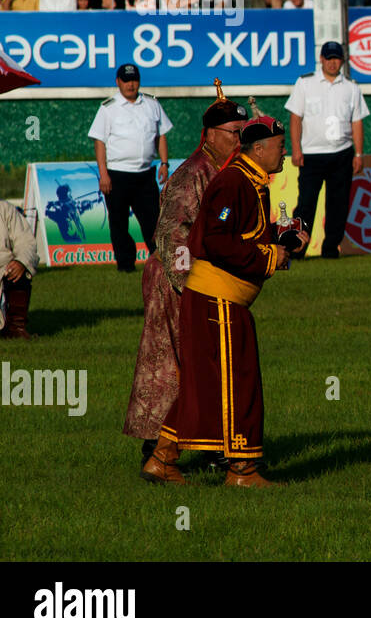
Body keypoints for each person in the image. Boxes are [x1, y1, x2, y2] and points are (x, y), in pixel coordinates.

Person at [150, 113, 309, 488]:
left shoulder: (252, 181)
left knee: (203, 384)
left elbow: (244, 232)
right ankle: (242, 470)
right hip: (216, 301)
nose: (284, 153)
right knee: (240, 383)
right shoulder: (233, 181)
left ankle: (162, 458)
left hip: (219, 300)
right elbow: (218, 240)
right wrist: (268, 257)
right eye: (280, 146)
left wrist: (282, 239)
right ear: (258, 149)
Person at [124, 81, 248, 469]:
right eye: (233, 134)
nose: (239, 140)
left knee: (202, 360)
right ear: (210, 134)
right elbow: (172, 231)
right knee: (173, 362)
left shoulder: (223, 170)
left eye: (244, 134)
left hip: (201, 277)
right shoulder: (193, 171)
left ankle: (206, 442)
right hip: (176, 279)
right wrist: (191, 286)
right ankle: (159, 447)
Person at [286, 41, 369, 259]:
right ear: (321, 59)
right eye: (329, 58)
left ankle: (331, 249)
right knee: (305, 205)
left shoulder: (351, 87)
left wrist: (358, 154)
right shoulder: (305, 83)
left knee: (338, 205)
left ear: (342, 60)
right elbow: (296, 118)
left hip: (342, 153)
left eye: (336, 58)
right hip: (312, 155)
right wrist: (296, 149)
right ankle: (297, 248)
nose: (332, 63)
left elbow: (357, 122)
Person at [88, 64, 172, 273]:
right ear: (118, 82)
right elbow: (99, 141)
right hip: (117, 174)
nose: (131, 84)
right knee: (119, 223)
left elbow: (161, 134)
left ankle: (159, 262)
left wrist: (164, 163)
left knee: (153, 221)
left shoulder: (152, 104)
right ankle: (125, 265)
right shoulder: (108, 108)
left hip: (145, 174)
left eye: (134, 80)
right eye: (126, 81)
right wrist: (103, 174)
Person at [0, 158, 39, 341]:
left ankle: (15, 328)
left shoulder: (5, 210)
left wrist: (21, 262)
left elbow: (26, 242)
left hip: (2, 269)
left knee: (20, 273)